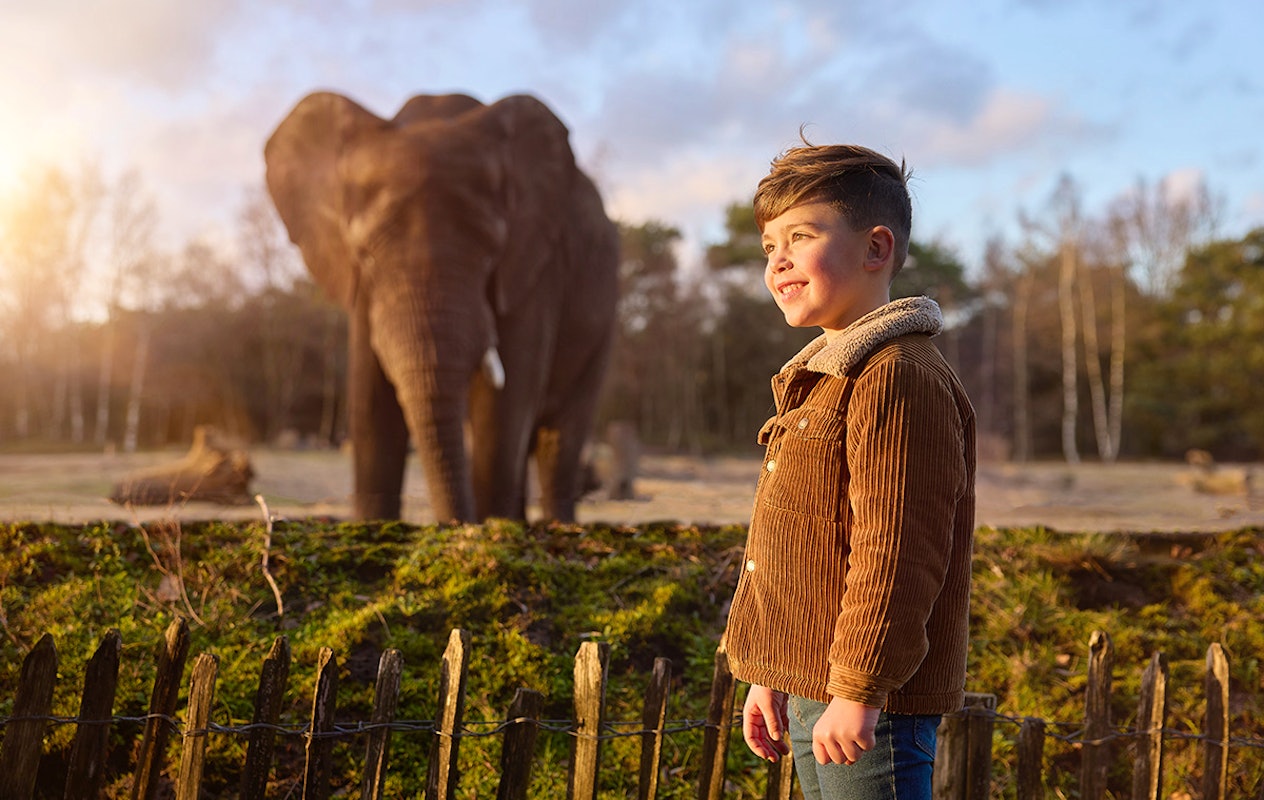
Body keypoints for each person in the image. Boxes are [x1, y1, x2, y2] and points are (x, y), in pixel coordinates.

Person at [723, 141, 976, 800]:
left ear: (876, 248)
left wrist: (859, 689)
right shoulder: (825, 379)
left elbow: (896, 553)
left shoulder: (896, 377)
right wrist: (772, 669)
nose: (777, 260)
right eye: (768, 245)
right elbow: (810, 541)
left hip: (870, 704)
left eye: (800, 236)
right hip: (817, 688)